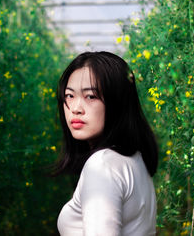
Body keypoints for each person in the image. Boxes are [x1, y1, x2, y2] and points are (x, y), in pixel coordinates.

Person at [52, 51, 159, 236]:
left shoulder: (102, 165)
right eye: (70, 96)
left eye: (90, 96)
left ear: (117, 103)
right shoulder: (134, 160)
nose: (76, 109)